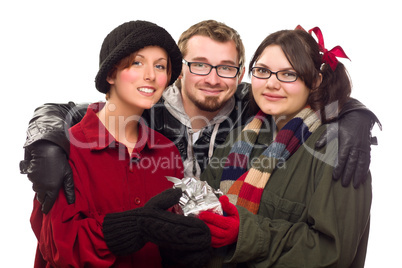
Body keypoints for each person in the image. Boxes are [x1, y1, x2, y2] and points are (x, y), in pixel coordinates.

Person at [20, 20, 380, 214]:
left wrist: (355, 116)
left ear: (241, 74)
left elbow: (305, 91)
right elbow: (67, 112)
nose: (212, 78)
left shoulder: (251, 106)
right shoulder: (148, 103)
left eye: (225, 68)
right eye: (200, 64)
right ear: (179, 70)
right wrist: (44, 139)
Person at [30, 20, 211, 268]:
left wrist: (185, 248)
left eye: (160, 66)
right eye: (137, 62)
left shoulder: (166, 151)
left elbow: (165, 242)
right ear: (110, 73)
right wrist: (133, 227)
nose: (151, 75)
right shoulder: (66, 148)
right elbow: (57, 247)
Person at [198, 26, 373, 267]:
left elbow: (332, 253)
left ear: (315, 81)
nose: (271, 84)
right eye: (262, 71)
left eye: (288, 74)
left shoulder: (338, 149)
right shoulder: (237, 138)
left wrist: (245, 233)